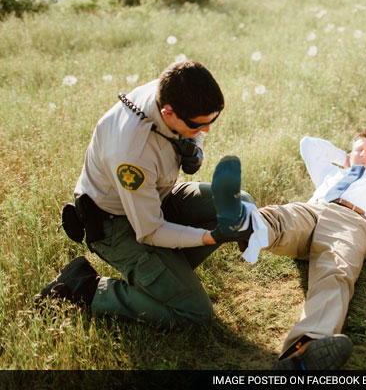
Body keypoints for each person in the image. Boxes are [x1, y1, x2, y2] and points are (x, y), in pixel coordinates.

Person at [36, 60, 249, 327]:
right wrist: (210, 237)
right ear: (168, 113)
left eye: (212, 121)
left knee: (241, 205)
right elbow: (150, 230)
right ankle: (83, 287)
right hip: (117, 225)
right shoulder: (131, 154)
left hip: (158, 197)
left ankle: (165, 273)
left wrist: (194, 144)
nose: (206, 130)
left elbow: (197, 128)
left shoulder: (171, 88)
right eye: (198, 125)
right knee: (195, 313)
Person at [209, 129, 366, 370]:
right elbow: (308, 145)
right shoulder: (332, 173)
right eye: (359, 149)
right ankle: (244, 224)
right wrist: (347, 159)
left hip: (350, 221)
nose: (363, 154)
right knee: (281, 216)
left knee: (335, 272)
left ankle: (306, 347)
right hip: (313, 210)